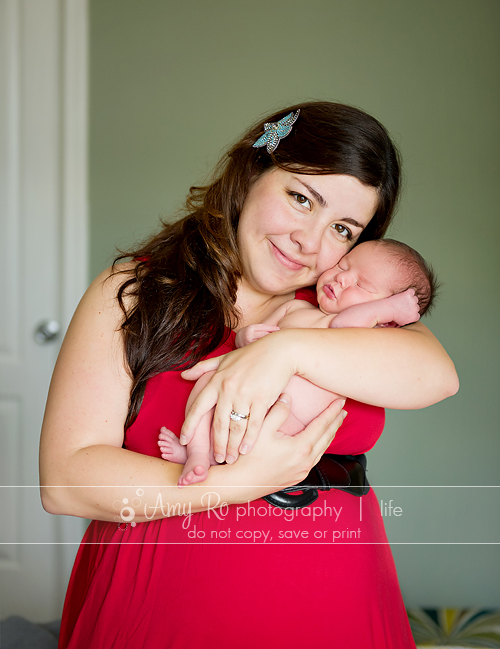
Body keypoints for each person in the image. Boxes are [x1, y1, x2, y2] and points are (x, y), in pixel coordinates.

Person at [39, 102, 458, 649]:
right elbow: (65, 480)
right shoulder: (137, 292)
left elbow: (437, 377)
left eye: (343, 228)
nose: (310, 240)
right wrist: (237, 484)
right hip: (164, 610)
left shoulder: (346, 308)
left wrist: (280, 353)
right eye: (301, 198)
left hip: (336, 608)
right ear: (252, 173)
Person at [159, 238, 436, 487]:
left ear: (386, 320)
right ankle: (196, 452)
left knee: (261, 440)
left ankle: (216, 462)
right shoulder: (296, 308)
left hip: (290, 416)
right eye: (342, 265)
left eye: (361, 284)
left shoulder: (362, 335)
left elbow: (343, 324)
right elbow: (254, 343)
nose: (341, 278)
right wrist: (246, 336)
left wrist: (385, 310)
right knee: (209, 384)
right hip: (250, 391)